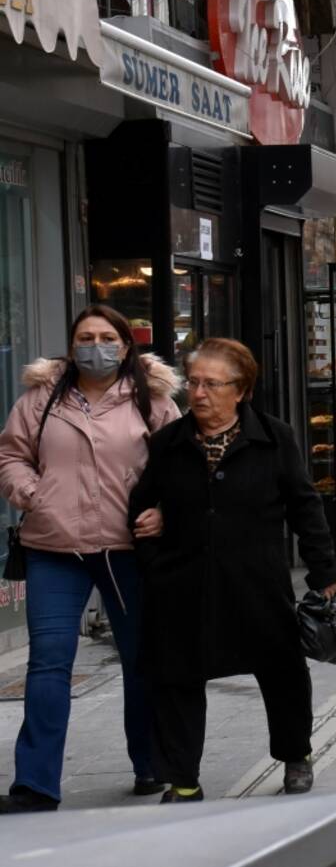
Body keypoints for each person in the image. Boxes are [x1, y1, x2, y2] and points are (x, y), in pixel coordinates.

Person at [128, 338, 336, 802]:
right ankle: (183, 779)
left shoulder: (274, 437)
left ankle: (295, 756)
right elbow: (140, 507)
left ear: (241, 389)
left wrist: (324, 572)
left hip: (256, 581)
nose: (198, 393)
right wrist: (155, 562)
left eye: (212, 384)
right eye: (194, 382)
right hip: (183, 583)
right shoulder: (169, 443)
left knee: (282, 672)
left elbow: (305, 506)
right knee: (177, 678)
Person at [0, 306, 180, 813]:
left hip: (129, 550)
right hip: (54, 546)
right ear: (71, 343)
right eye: (85, 337)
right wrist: (33, 494)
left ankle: (151, 764)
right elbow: (11, 455)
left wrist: (163, 511)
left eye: (106, 337)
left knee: (141, 660)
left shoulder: (153, 399)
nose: (95, 345)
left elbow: (181, 467)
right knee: (48, 663)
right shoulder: (41, 398)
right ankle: (35, 785)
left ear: (125, 346)